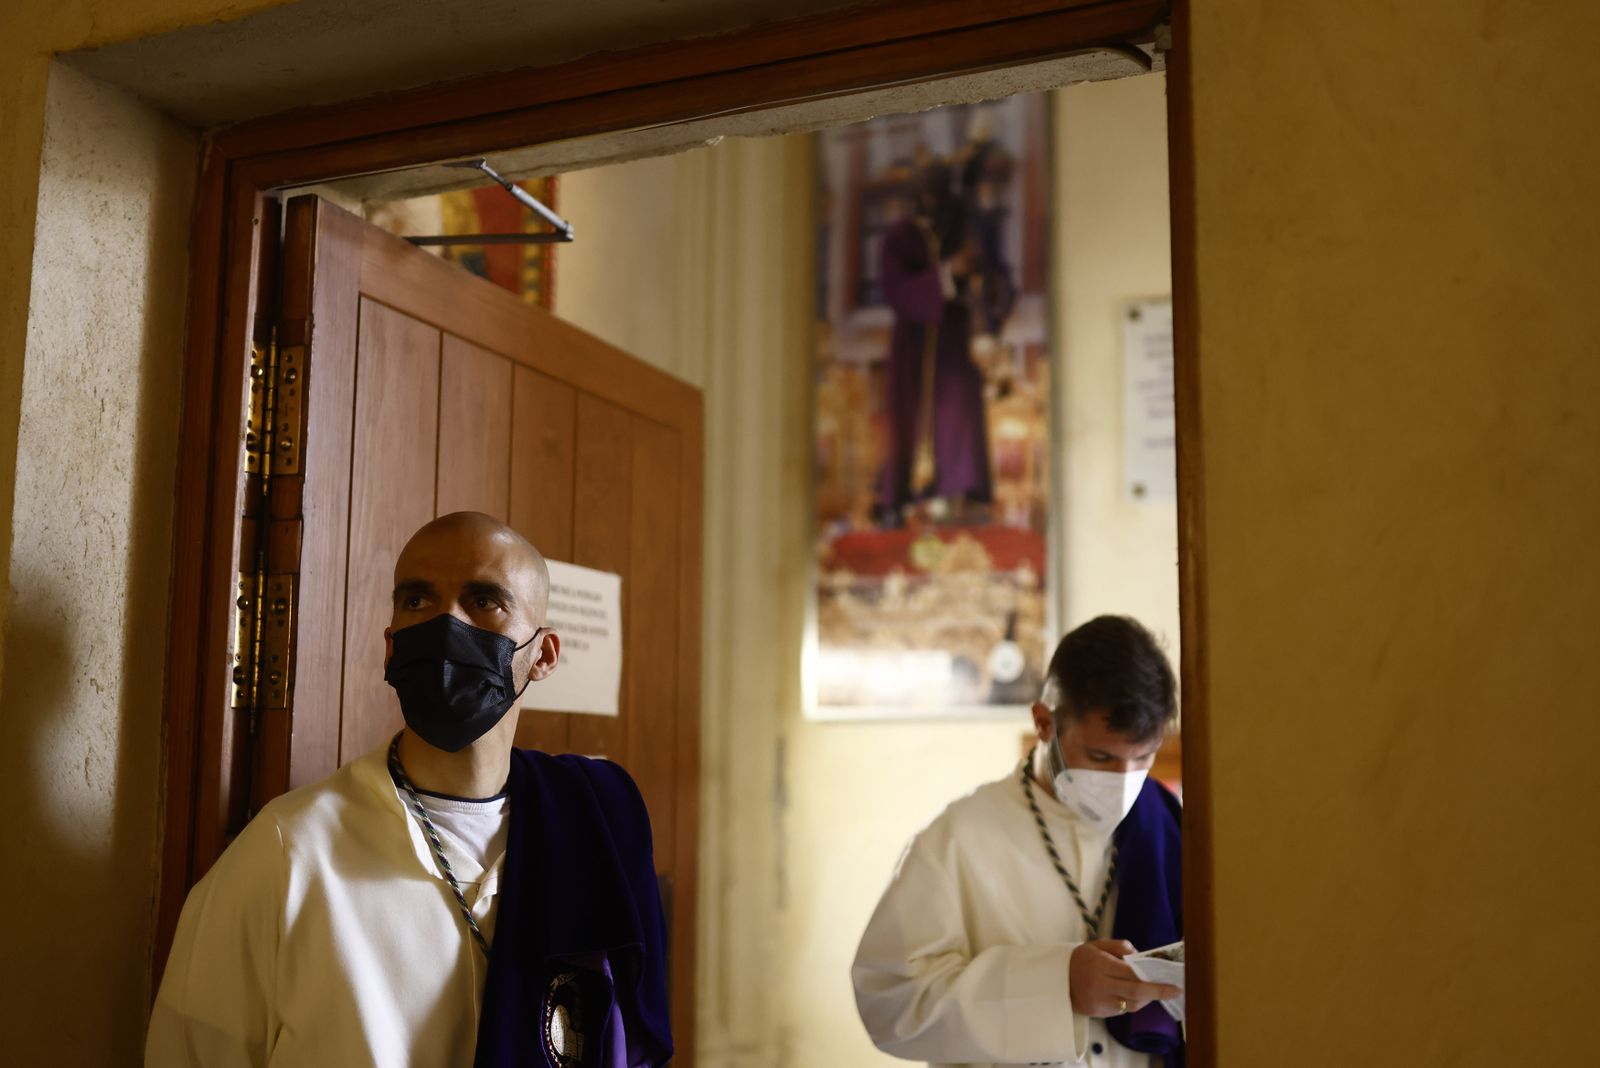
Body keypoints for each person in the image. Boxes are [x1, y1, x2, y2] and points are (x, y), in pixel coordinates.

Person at [146, 511, 672, 1067]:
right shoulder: (288, 854)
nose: (446, 623)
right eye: (418, 601)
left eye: (484, 601)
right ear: (391, 646)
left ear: (542, 655)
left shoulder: (590, 825)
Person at [852, 615, 1184, 1067]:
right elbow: (891, 1006)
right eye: (1100, 756)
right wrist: (1055, 985)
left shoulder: (1170, 826)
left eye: (1143, 757)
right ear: (1044, 722)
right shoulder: (957, 839)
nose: (1123, 781)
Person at [876, 158, 995, 525]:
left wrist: (969, 277)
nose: (931, 196)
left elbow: (984, 276)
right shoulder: (900, 236)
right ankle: (901, 499)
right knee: (908, 419)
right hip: (913, 345)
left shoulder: (959, 230)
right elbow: (895, 291)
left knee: (957, 414)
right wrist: (945, 274)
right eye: (927, 189)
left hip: (952, 344)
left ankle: (959, 495)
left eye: (938, 188)